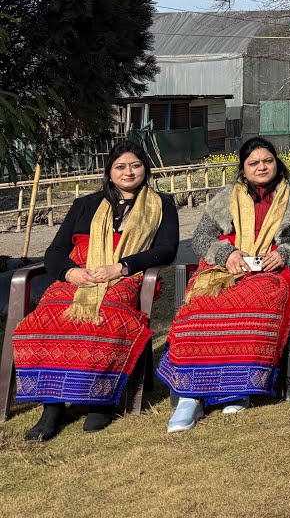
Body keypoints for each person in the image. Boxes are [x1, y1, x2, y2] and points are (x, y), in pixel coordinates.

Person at [13, 142, 178, 441]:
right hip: (79, 274)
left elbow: (167, 250)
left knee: (107, 316)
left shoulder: (161, 204)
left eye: (135, 165)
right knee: (48, 317)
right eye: (120, 166)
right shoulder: (86, 204)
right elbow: (56, 251)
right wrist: (70, 272)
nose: (128, 172)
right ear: (109, 172)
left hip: (123, 276)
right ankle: (52, 406)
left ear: (146, 168)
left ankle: (100, 400)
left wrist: (121, 267)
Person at [159, 137, 290, 432]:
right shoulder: (226, 197)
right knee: (200, 307)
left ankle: (237, 390)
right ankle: (190, 395)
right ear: (243, 169)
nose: (262, 167)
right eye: (254, 163)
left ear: (277, 162)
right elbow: (201, 239)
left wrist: (284, 252)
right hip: (227, 268)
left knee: (254, 304)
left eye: (267, 161)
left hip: (270, 271)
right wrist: (227, 253)